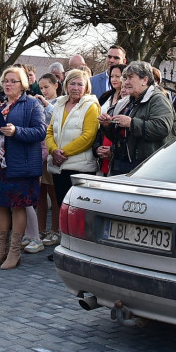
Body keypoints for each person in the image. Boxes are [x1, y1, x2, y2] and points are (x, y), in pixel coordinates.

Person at [0, 66, 46, 270]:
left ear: (23, 84)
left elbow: (40, 132)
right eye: (6, 80)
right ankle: (1, 250)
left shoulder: (33, 104)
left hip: (21, 165)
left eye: (13, 81)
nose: (8, 84)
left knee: (18, 206)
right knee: (0, 205)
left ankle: (15, 251)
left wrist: (16, 131)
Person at [46, 69, 101, 239]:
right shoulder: (59, 104)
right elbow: (49, 132)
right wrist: (53, 150)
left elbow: (88, 136)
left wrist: (63, 153)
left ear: (86, 87)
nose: (75, 87)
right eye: (72, 83)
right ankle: (65, 242)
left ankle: (78, 244)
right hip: (59, 165)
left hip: (80, 167)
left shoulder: (91, 106)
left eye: (80, 84)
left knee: (78, 210)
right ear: (66, 85)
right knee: (63, 205)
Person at [102, 61, 176, 175]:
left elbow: (162, 128)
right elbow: (117, 135)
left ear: (145, 80)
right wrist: (108, 125)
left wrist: (131, 123)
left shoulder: (158, 99)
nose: (125, 82)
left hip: (145, 167)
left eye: (130, 78)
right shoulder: (127, 101)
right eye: (125, 78)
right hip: (121, 163)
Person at [36, 73, 62, 245]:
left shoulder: (60, 103)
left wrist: (45, 104)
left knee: (53, 194)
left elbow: (57, 121)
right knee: (40, 194)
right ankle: (39, 229)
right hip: (39, 153)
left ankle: (55, 230)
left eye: (47, 87)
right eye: (41, 88)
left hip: (52, 152)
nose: (44, 91)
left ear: (56, 86)